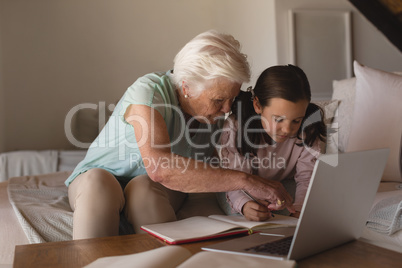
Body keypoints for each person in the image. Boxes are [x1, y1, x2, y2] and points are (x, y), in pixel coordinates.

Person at [65, 30, 295, 239]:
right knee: (99, 182)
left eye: (231, 99)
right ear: (186, 88)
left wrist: (246, 202)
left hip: (154, 189)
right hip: (97, 178)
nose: (227, 109)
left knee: (144, 188)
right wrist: (248, 181)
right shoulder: (150, 90)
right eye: (218, 100)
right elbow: (160, 168)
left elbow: (219, 170)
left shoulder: (216, 117)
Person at [218, 64, 326, 221]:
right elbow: (235, 179)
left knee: (315, 202)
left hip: (285, 182)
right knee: (245, 212)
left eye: (296, 120)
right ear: (258, 105)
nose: (287, 129)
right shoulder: (236, 126)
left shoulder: (309, 128)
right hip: (239, 186)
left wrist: (299, 209)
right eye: (279, 119)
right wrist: (245, 204)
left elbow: (307, 177)